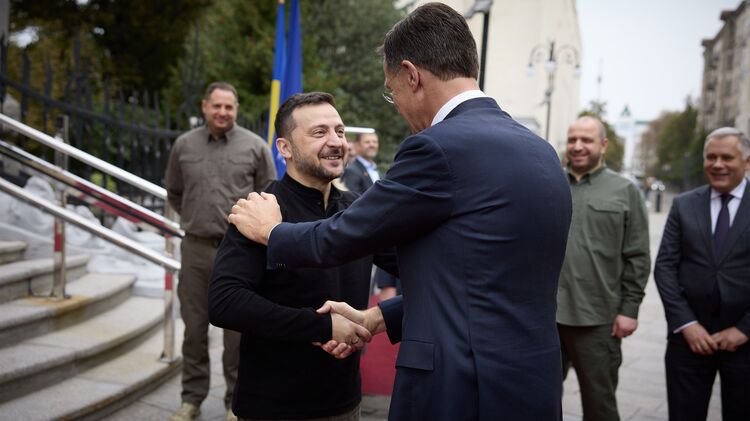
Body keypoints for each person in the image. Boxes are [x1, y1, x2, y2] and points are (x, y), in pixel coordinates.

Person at [227, 3, 572, 420]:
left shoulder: (438, 147)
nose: (397, 105)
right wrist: (377, 318)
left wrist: (272, 232)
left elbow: (340, 235)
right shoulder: (541, 151)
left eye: (392, 91)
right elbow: (474, 279)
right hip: (531, 385)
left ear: (412, 75)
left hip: (461, 389)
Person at [207, 92, 397, 421]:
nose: (336, 141)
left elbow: (413, 267)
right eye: (319, 132)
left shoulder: (358, 209)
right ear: (285, 148)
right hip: (273, 406)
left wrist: (371, 320)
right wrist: (322, 327)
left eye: (340, 131)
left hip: (345, 402)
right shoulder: (261, 210)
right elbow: (225, 302)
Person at [164, 81, 276, 421]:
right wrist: (197, 218)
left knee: (239, 334)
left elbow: (269, 197)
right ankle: (191, 399)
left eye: (229, 106)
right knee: (194, 329)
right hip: (196, 250)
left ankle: (235, 402)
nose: (223, 112)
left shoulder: (254, 146)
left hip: (240, 252)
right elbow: (174, 192)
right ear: (204, 106)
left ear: (236, 109)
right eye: (217, 106)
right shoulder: (184, 145)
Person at [557, 116, 651, 420]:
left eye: (586, 140)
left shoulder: (625, 191)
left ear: (604, 145)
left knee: (600, 406)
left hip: (598, 320)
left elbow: (638, 254)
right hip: (546, 317)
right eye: (572, 140)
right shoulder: (551, 183)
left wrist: (629, 309)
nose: (577, 146)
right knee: (536, 402)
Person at [654, 127, 750, 421]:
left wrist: (744, 329)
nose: (717, 164)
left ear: (747, 162)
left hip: (745, 342)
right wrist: (687, 324)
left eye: (726, 157)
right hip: (689, 341)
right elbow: (665, 266)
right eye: (711, 157)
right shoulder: (684, 204)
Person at [341, 131, 400, 300]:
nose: (372, 145)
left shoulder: (376, 170)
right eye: (367, 142)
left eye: (375, 141)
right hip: (365, 233)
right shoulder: (353, 171)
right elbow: (351, 203)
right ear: (357, 145)